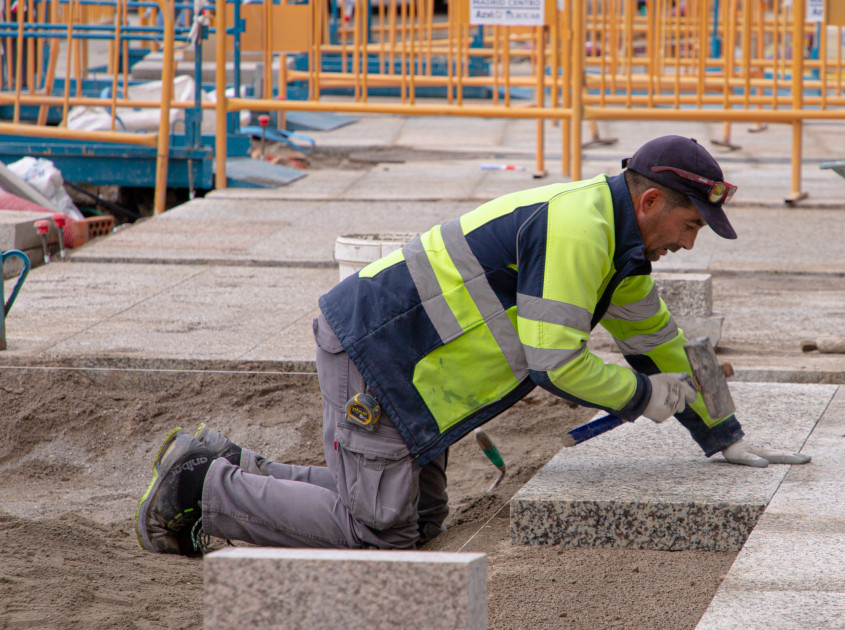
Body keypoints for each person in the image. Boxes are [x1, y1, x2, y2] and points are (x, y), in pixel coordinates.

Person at [136, 135, 810, 556]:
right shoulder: (580, 230)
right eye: (689, 224)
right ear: (650, 201)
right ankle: (202, 488)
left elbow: (660, 344)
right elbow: (556, 364)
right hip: (381, 352)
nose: (688, 243)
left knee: (417, 519)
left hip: (411, 365)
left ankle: (224, 460)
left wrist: (721, 434)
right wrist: (641, 396)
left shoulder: (621, 250)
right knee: (377, 529)